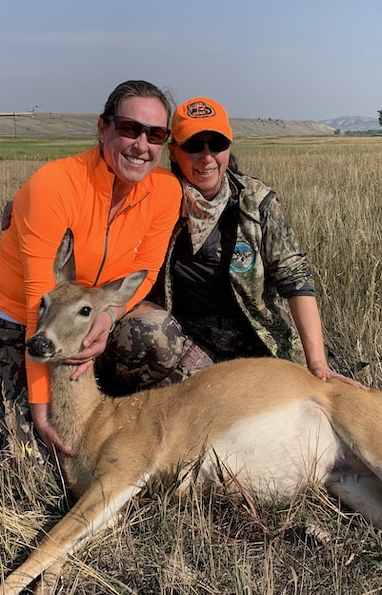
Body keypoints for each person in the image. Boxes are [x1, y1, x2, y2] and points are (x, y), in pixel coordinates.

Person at [95, 96, 365, 395]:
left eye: (217, 144)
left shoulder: (257, 201)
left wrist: (317, 364)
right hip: (187, 338)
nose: (206, 157)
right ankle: (114, 399)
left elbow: (296, 280)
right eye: (194, 146)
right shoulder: (153, 198)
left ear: (229, 147)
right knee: (177, 406)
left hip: (255, 335)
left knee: (292, 404)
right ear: (174, 151)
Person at [0, 80, 182, 456]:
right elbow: (37, 305)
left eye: (155, 135)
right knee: (19, 461)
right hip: (26, 320)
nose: (142, 145)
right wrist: (42, 415)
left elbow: (146, 270)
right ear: (102, 128)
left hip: (90, 314)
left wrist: (111, 313)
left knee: (160, 336)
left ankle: (104, 396)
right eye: (128, 129)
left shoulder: (166, 192)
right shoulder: (54, 186)